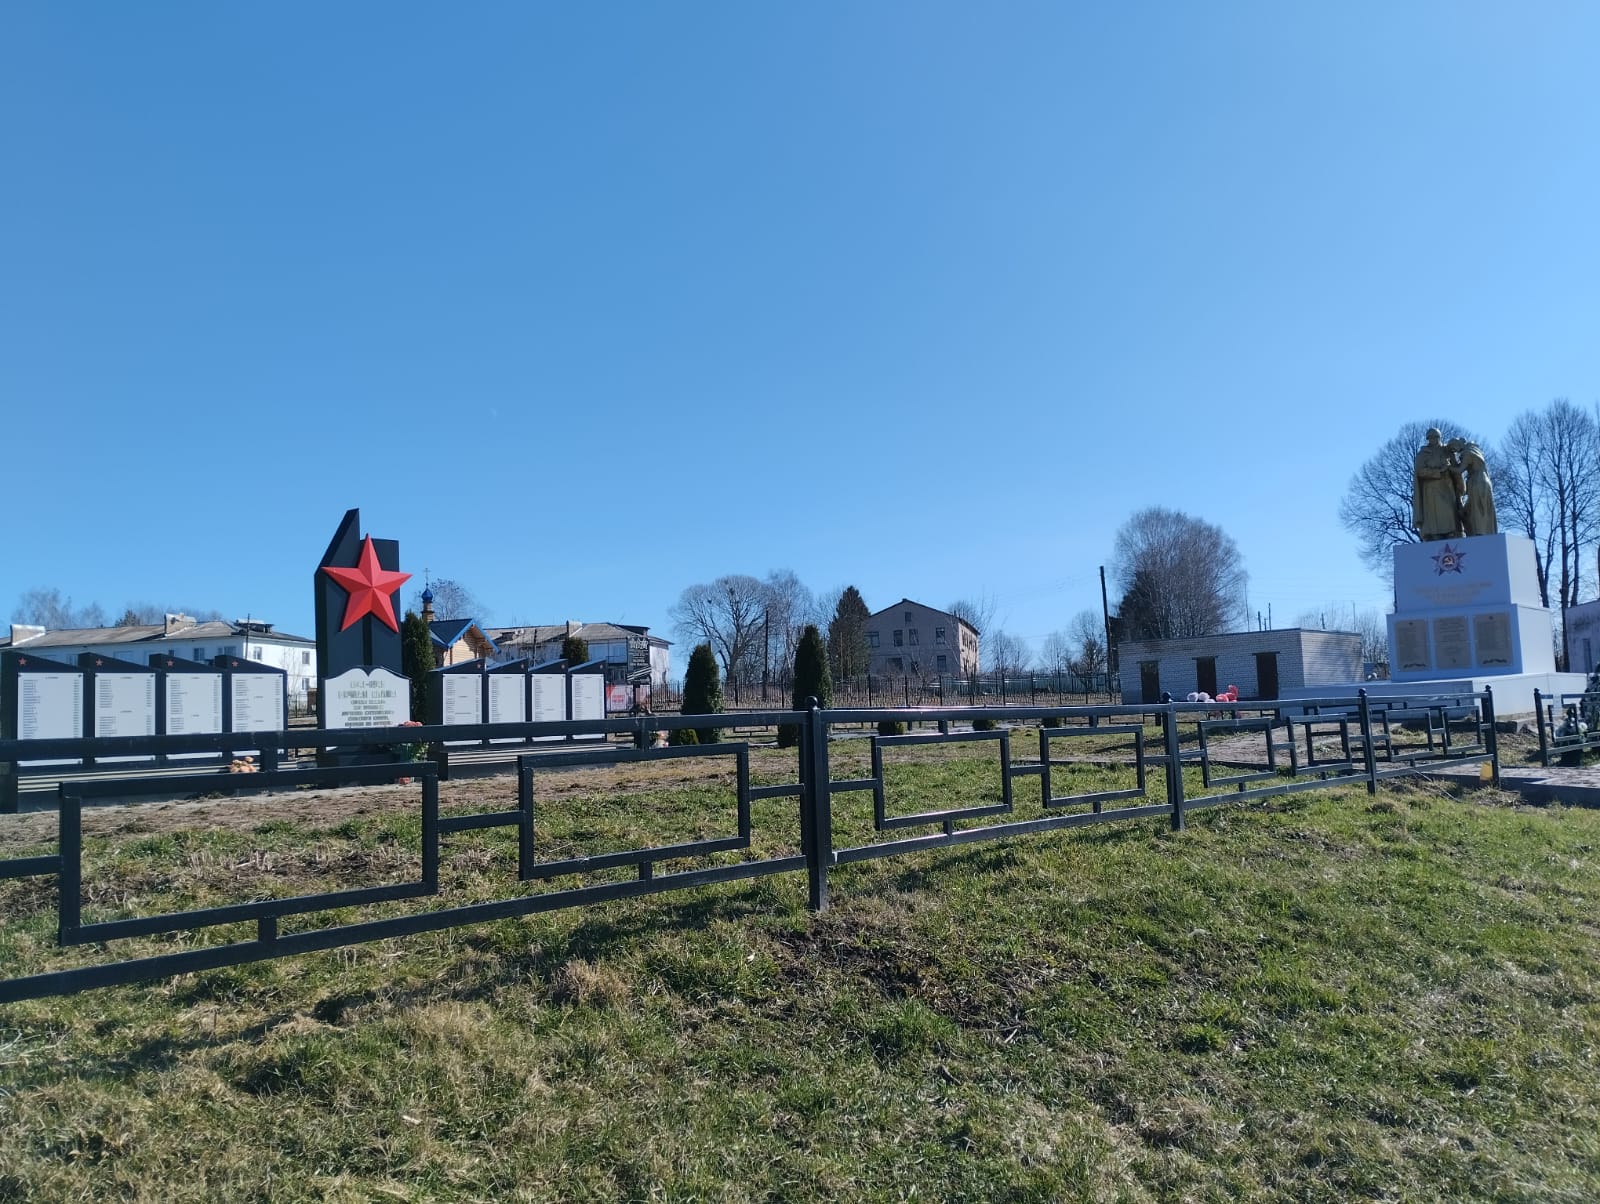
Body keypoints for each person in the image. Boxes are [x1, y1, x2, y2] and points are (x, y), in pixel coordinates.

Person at [1412, 428, 1463, 541]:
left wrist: (1459, 484)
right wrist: (1438, 471)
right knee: (1433, 516)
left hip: (1447, 487)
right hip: (1431, 489)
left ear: (1439, 438)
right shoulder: (1423, 454)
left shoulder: (1447, 451)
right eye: (1430, 438)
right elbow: (1420, 472)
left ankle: (1452, 532)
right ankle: (1434, 535)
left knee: (1450, 513)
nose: (1433, 440)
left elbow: (1456, 468)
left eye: (1435, 437)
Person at [1455, 440, 1497, 536]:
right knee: (1483, 507)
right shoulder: (1476, 451)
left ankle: (1479, 531)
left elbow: (1459, 470)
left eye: (1455, 448)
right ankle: (1485, 531)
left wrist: (1446, 467)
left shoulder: (1468, 453)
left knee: (1477, 507)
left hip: (1477, 481)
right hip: (1484, 481)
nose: (1456, 451)